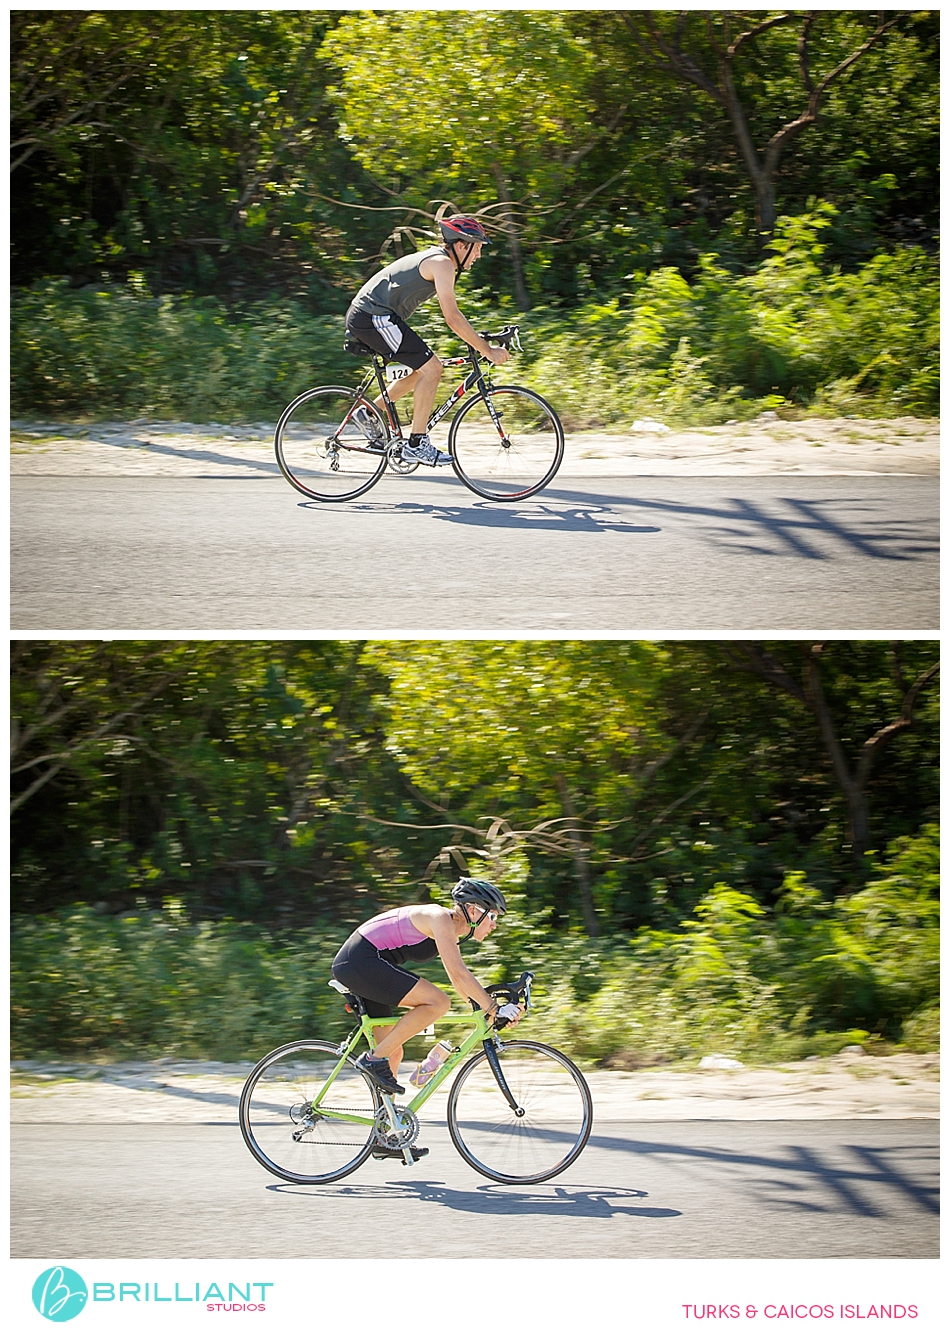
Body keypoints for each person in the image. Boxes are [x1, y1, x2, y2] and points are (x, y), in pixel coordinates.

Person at [330, 877, 522, 1160]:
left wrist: (486, 1009)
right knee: (436, 1002)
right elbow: (458, 974)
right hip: (360, 962)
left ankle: (385, 1136)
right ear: (472, 910)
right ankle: (372, 1060)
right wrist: (492, 1008)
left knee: (393, 1051)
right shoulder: (440, 918)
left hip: (367, 964)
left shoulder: (451, 931)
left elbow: (459, 981)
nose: (494, 924)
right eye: (491, 916)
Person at [344, 215, 511, 467]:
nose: (478, 255)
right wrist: (486, 350)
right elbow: (452, 317)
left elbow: (455, 317)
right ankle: (417, 443)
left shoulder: (440, 261)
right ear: (462, 245)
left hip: (374, 316)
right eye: (477, 248)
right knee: (432, 368)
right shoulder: (442, 263)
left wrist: (480, 339)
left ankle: (369, 413)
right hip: (372, 316)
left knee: (422, 369)